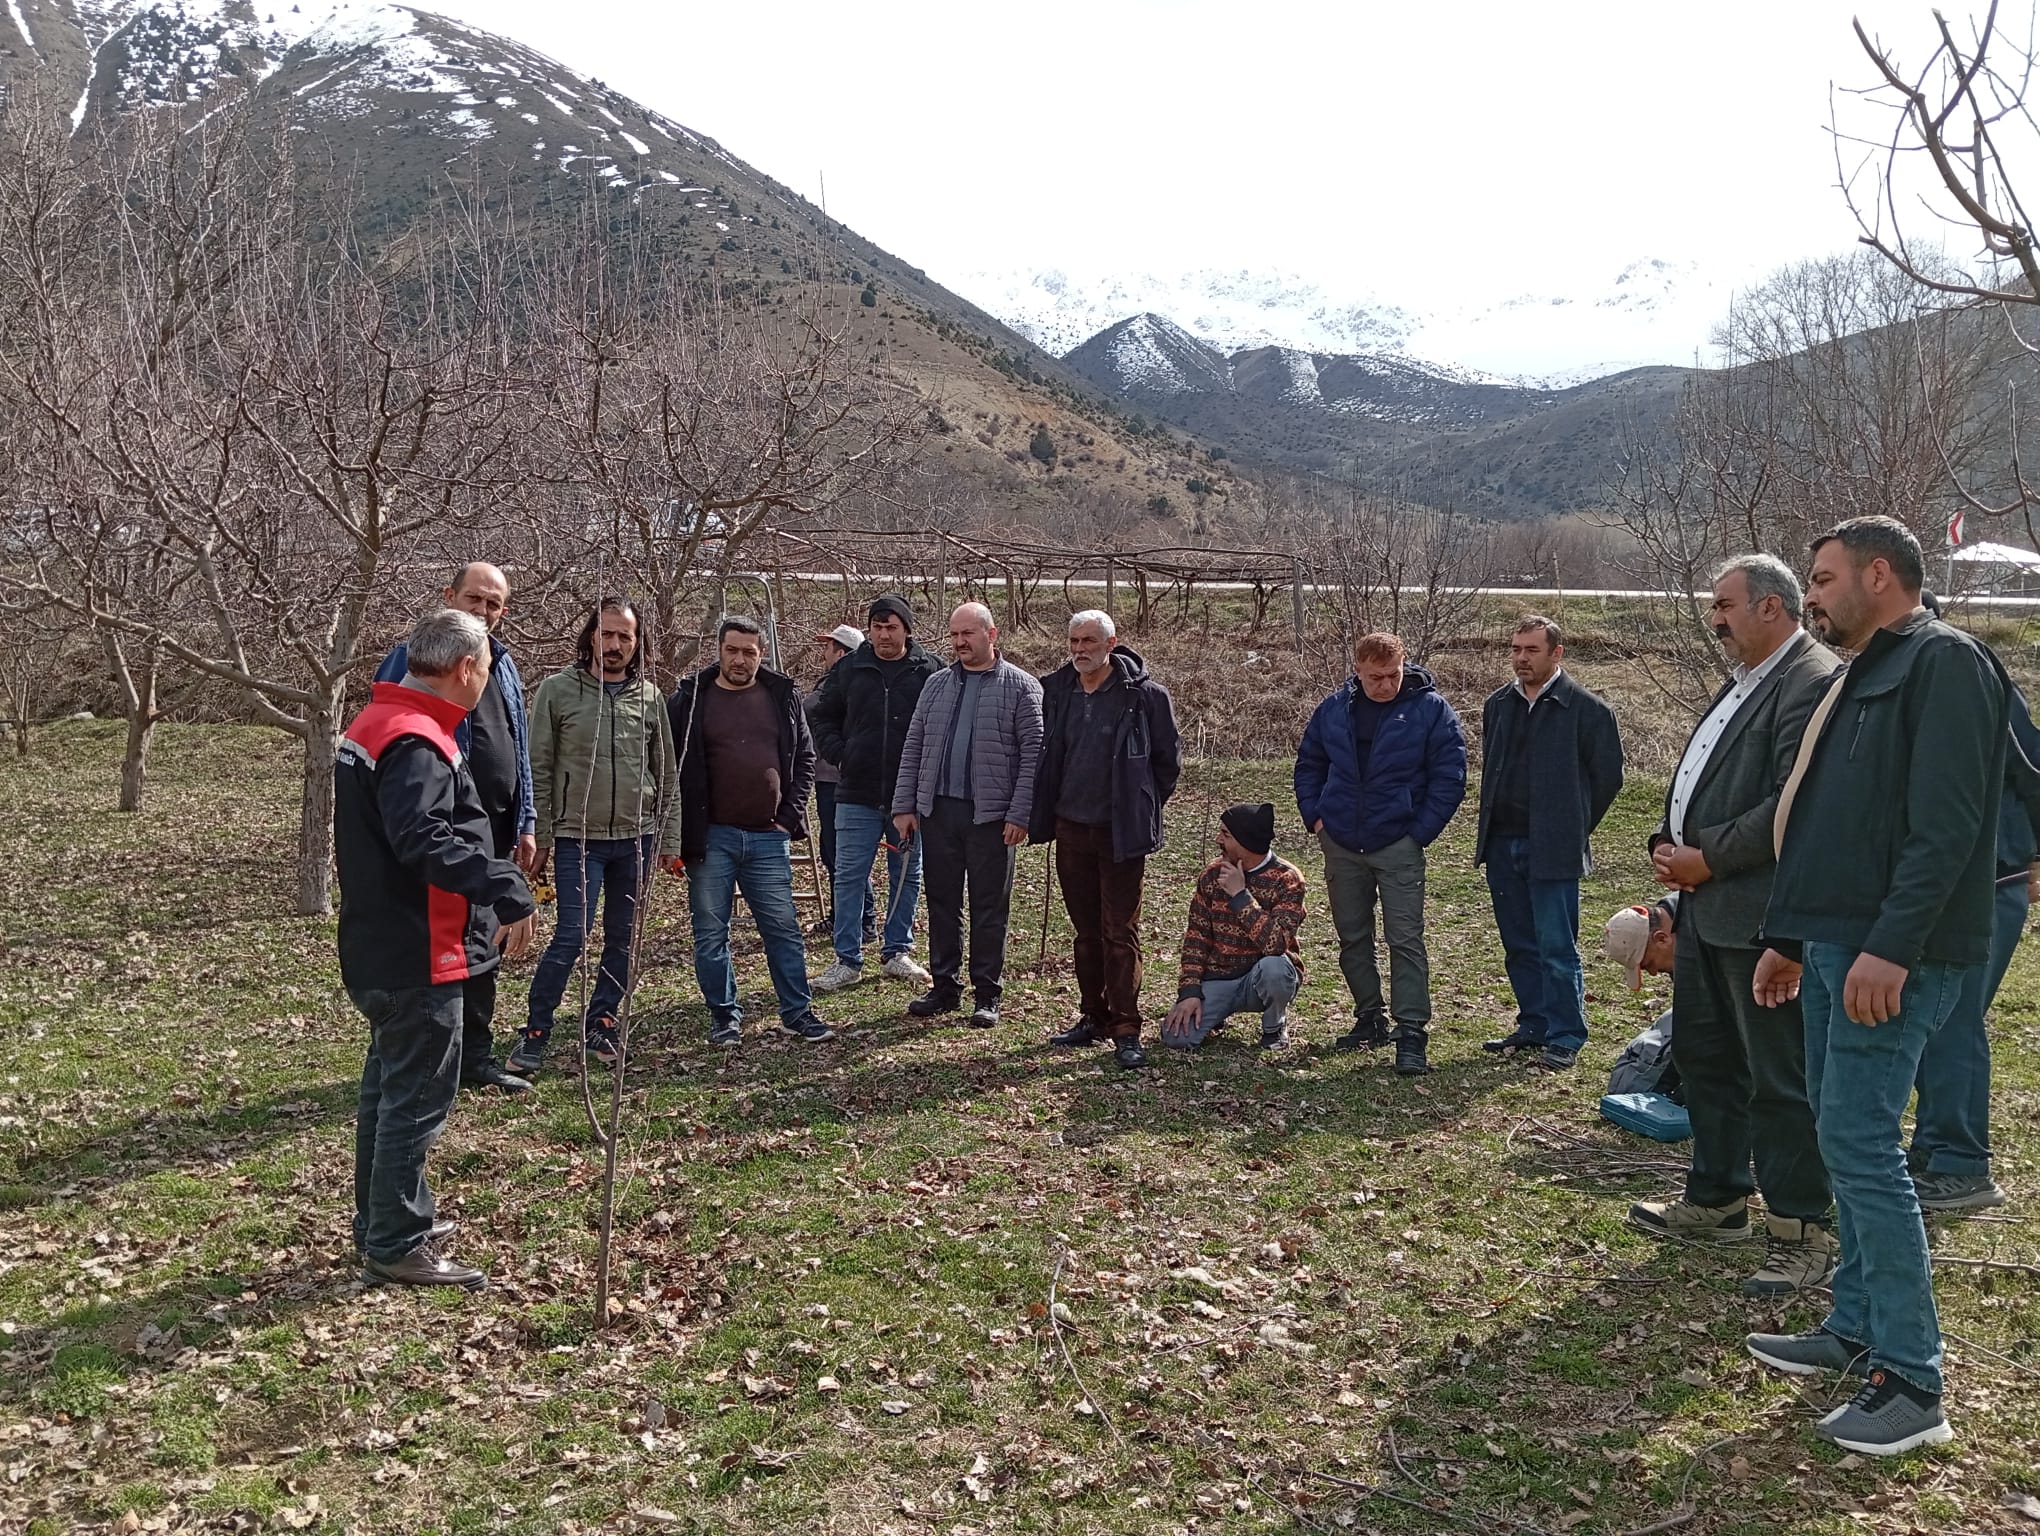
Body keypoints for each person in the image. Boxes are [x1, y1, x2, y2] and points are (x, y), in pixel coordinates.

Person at [1745, 515, 2006, 1456]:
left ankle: (1911, 1379)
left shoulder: (1945, 664)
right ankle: (1854, 1326)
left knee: (1860, 1145)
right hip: (1829, 946)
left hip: (1890, 957)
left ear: (1880, 574)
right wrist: (1788, 937)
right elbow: (1827, 821)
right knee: (1838, 1130)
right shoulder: (1866, 668)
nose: (1810, 596)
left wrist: (1892, 946)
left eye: (1821, 578)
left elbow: (1948, 827)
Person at [1627, 554, 1843, 1296]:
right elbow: (1706, 776)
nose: (1714, 617)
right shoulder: (1750, 676)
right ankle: (1718, 1198)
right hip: (1707, 914)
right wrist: (1665, 839)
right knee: (1707, 1059)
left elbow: (1793, 802)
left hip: (1761, 920)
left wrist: (1707, 858)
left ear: (1773, 608)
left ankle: (1800, 1228)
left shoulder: (1808, 679)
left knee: (1779, 1080)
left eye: (1725, 604)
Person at [337, 608, 536, 1289]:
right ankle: (397, 1240)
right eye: (486, 668)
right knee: (417, 1097)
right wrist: (504, 884)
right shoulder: (415, 739)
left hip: (383, 944)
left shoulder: (377, 720)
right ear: (465, 669)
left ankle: (382, 1217)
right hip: (418, 949)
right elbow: (422, 837)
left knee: (389, 1093)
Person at [374, 561, 536, 1095]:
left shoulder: (504, 662)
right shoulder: (414, 660)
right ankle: (425, 1059)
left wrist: (526, 818)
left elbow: (519, 746)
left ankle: (477, 1058)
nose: (484, 611)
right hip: (441, 831)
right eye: (475, 599)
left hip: (494, 828)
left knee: (484, 947)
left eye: (494, 604)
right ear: (449, 595)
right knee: (443, 947)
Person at [509, 597, 681, 1075]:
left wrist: (669, 840)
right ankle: (536, 1031)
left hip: (636, 839)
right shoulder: (557, 691)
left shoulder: (649, 697)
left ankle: (601, 1020)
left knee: (623, 938)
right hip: (574, 837)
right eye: (607, 634)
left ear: (637, 643)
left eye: (625, 636)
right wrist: (538, 833)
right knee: (571, 935)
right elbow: (536, 768)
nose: (615, 644)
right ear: (590, 637)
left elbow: (666, 775)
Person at [1907, 595, 2040, 1211]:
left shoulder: (1964, 669)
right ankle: (1935, 1149)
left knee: (1953, 1019)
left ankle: (1961, 1164)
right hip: (1956, 883)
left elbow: (2030, 764)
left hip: (1991, 881)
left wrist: (2034, 854)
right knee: (1938, 1018)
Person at [1295, 631, 1467, 1076]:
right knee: (1352, 936)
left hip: (1398, 844)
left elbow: (1450, 776)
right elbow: (1309, 763)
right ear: (1358, 670)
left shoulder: (1431, 711)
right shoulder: (1334, 710)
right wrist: (1316, 818)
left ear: (1404, 666)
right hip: (1341, 841)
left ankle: (1411, 1032)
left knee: (1405, 939)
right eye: (1376, 677)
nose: (1386, 685)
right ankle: (1368, 1016)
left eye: (1393, 675)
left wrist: (1420, 833)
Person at [666, 616, 834, 1045]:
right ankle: (724, 1018)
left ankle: (798, 1013)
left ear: (761, 653)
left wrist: (787, 820)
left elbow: (806, 759)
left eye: (749, 651)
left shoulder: (780, 695)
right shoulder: (691, 698)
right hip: (711, 837)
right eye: (732, 650)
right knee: (710, 933)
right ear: (718, 650)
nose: (740, 659)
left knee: (782, 928)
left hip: (767, 836)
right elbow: (669, 767)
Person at [1029, 609, 1182, 1071]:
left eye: (1089, 641)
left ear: (1111, 645)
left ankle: (1126, 1027)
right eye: (1074, 641)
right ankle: (1092, 1017)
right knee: (1085, 933)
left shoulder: (1145, 697)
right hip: (1070, 828)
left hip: (1120, 833)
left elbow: (1166, 764)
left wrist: (1139, 806)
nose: (1080, 650)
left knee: (1120, 933)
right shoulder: (1055, 691)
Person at [1474, 616, 1624, 1071]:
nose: (1521, 657)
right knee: (1519, 943)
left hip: (1554, 848)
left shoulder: (1587, 710)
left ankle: (1566, 1033)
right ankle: (1534, 1023)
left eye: (1532, 650)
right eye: (1516, 648)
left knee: (1557, 946)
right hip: (1503, 845)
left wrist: (1572, 827)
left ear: (1556, 653)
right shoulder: (1498, 705)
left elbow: (1608, 779)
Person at [892, 602, 1044, 1027]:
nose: (959, 642)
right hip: (938, 812)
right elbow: (914, 748)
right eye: (954, 635)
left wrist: (1020, 813)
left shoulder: (1022, 687)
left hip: (992, 819)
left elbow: (1033, 757)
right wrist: (904, 805)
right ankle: (944, 987)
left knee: (989, 906)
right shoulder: (937, 685)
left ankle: (987, 993)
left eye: (968, 634)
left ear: (990, 635)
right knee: (941, 902)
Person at [809, 595, 942, 992]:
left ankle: (897, 951)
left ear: (907, 629)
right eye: (877, 627)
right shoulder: (851, 668)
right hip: (856, 791)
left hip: (910, 796)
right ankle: (847, 959)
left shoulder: (929, 671)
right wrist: (840, 753)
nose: (884, 635)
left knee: (906, 874)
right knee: (849, 875)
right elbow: (820, 713)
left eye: (892, 627)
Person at [1162, 803, 1308, 1049]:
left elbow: (1277, 944)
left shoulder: (1287, 878)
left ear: (1247, 842)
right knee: (1176, 1037)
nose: (1218, 839)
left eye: (1226, 834)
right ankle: (1215, 1014)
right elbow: (1196, 939)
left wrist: (1240, 896)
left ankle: (1274, 1026)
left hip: (1262, 976)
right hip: (1220, 976)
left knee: (1276, 968)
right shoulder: (1211, 875)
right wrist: (1189, 992)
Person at [806, 623, 874, 947]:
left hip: (840, 780)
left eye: (829, 647)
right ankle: (842, 915)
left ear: (843, 653)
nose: (824, 652)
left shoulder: (852, 686)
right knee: (833, 851)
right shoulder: (832, 682)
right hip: (825, 778)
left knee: (845, 853)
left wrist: (842, 757)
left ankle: (865, 921)